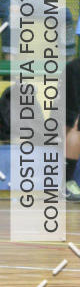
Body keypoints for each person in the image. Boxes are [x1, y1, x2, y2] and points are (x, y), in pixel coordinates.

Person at [65, 56, 80, 200]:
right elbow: (71, 110)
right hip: (67, 118)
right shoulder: (74, 68)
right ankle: (66, 181)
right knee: (78, 125)